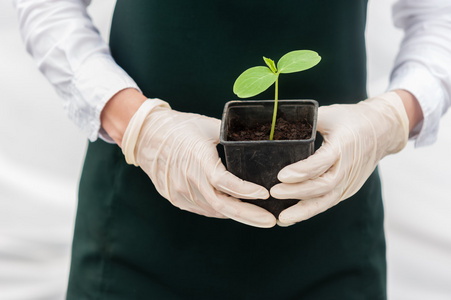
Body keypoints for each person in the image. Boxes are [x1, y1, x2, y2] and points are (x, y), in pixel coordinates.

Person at [13, 0, 451, 299]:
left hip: (327, 241)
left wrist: (393, 118)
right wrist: (140, 128)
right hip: (140, 232)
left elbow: (439, 16)